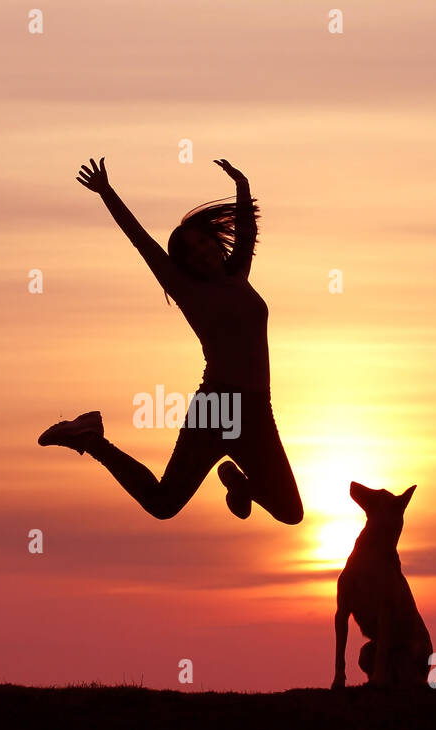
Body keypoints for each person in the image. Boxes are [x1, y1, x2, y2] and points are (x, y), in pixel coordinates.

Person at [38, 157, 302, 525]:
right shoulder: (187, 290)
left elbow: (245, 231)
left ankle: (237, 483)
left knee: (291, 512)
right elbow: (140, 241)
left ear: (213, 242)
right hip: (218, 406)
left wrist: (242, 185)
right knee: (164, 504)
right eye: (191, 253)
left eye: (203, 244)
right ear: (185, 264)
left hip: (257, 409)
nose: (202, 253)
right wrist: (107, 193)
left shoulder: (237, 273)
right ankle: (92, 439)